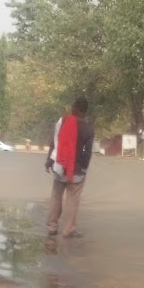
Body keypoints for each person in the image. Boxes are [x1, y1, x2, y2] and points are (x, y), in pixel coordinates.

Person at [46, 97, 94, 238]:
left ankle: (52, 227)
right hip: (77, 171)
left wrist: (49, 160)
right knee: (72, 201)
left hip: (60, 166)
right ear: (85, 111)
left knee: (56, 197)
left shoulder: (62, 122)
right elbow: (87, 152)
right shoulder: (88, 129)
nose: (71, 108)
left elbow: (54, 143)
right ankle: (68, 230)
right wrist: (84, 169)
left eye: (73, 106)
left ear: (76, 108)